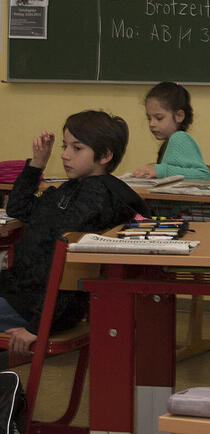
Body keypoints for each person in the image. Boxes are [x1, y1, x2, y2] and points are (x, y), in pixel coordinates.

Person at [1, 111, 149, 357]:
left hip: (38, 307)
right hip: (23, 294)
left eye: (76, 148)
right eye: (64, 146)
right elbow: (19, 209)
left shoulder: (95, 199)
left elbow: (67, 267)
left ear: (105, 156)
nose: (64, 154)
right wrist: (37, 163)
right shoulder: (72, 189)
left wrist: (38, 326)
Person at [132, 82, 210, 180]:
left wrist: (161, 170)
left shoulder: (179, 138)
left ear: (179, 116)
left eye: (159, 118)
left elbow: (205, 176)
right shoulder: (169, 142)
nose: (151, 124)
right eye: (149, 118)